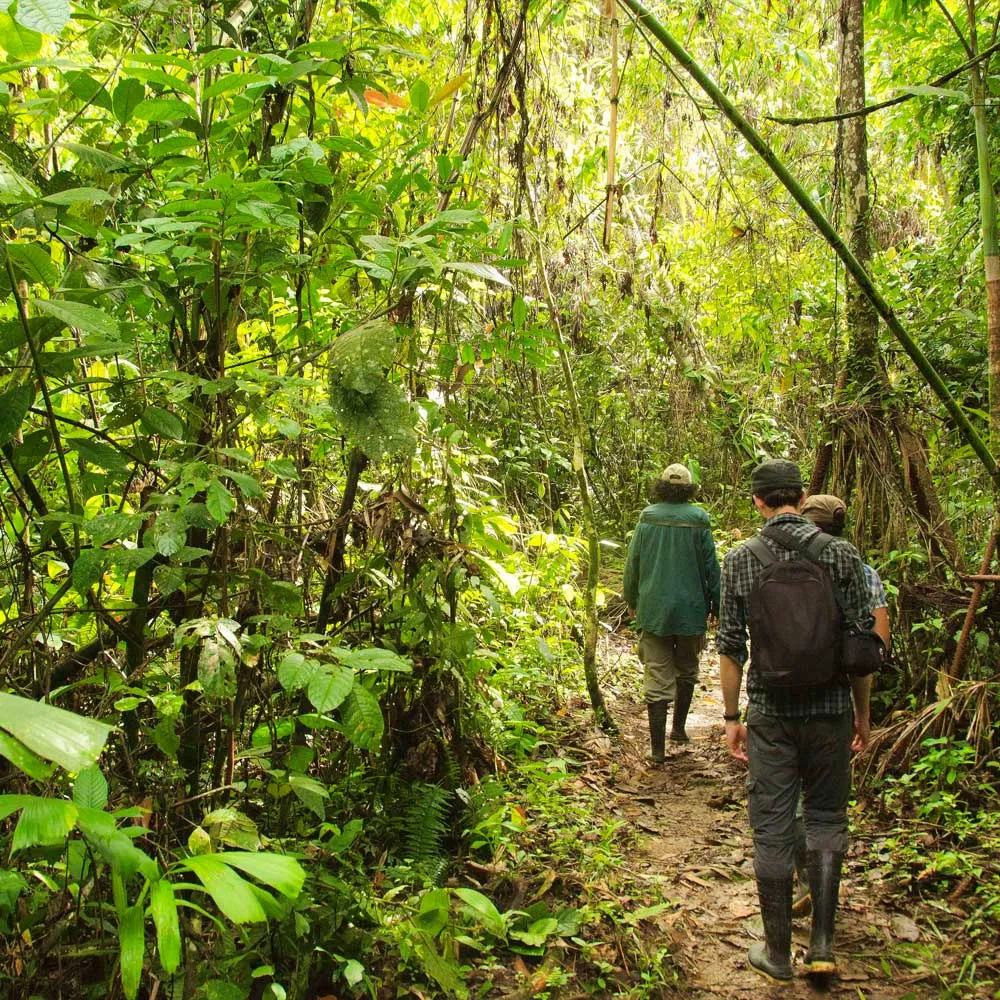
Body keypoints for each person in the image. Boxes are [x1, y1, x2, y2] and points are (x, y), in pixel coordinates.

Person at [717, 460, 874, 981]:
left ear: (757, 501)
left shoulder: (742, 558)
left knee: (772, 827)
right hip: (830, 710)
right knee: (827, 818)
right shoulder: (841, 554)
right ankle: (823, 947)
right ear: (802, 497)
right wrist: (862, 714)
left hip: (771, 713)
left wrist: (732, 717)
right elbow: (860, 646)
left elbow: (731, 647)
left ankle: (778, 954)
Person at [791, 493, 891, 916]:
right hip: (835, 701)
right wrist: (863, 715)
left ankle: (806, 876)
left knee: (791, 792)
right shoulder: (863, 573)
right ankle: (825, 886)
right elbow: (871, 650)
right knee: (827, 802)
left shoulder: (778, 565)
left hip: (782, 697)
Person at [624, 463, 721, 763]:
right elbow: (711, 566)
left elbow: (633, 563)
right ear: (690, 489)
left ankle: (657, 749)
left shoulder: (647, 517)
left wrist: (630, 598)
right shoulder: (699, 519)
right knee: (687, 667)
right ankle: (678, 729)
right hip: (692, 609)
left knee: (656, 671)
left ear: (662, 487)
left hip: (654, 609)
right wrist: (717, 604)